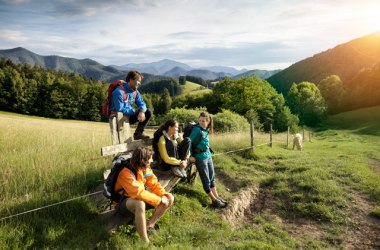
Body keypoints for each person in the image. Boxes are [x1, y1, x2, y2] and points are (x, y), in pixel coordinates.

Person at [114, 147, 174, 243]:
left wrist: (163, 195)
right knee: (140, 204)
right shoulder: (126, 172)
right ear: (143, 160)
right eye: (150, 159)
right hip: (122, 203)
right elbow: (138, 193)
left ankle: (149, 226)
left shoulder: (145, 169)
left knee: (169, 197)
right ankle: (145, 242)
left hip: (138, 198)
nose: (152, 161)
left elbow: (154, 183)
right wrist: (159, 200)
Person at [189, 111, 227, 208]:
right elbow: (188, 142)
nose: (202, 122)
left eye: (204, 121)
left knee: (212, 178)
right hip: (200, 157)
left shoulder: (206, 130)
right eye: (200, 120)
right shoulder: (197, 130)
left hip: (208, 156)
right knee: (206, 180)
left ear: (208, 121)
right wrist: (191, 155)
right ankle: (214, 201)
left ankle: (217, 197)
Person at [111, 70, 151, 140]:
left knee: (147, 112)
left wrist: (141, 111)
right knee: (119, 141)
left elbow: (142, 103)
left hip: (129, 116)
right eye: (138, 80)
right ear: (130, 80)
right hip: (118, 118)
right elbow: (119, 109)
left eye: (140, 81)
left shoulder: (135, 92)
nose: (139, 83)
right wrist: (135, 112)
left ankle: (138, 134)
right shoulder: (118, 92)